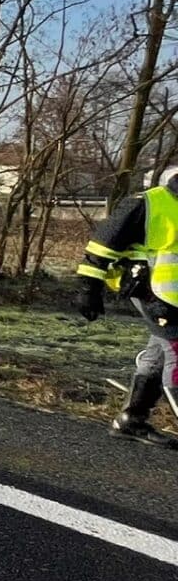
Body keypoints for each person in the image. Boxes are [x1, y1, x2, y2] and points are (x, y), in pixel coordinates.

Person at [77, 164, 178, 446]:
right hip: (153, 292)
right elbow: (101, 246)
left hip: (173, 297)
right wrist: (89, 288)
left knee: (159, 354)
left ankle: (131, 421)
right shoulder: (147, 203)